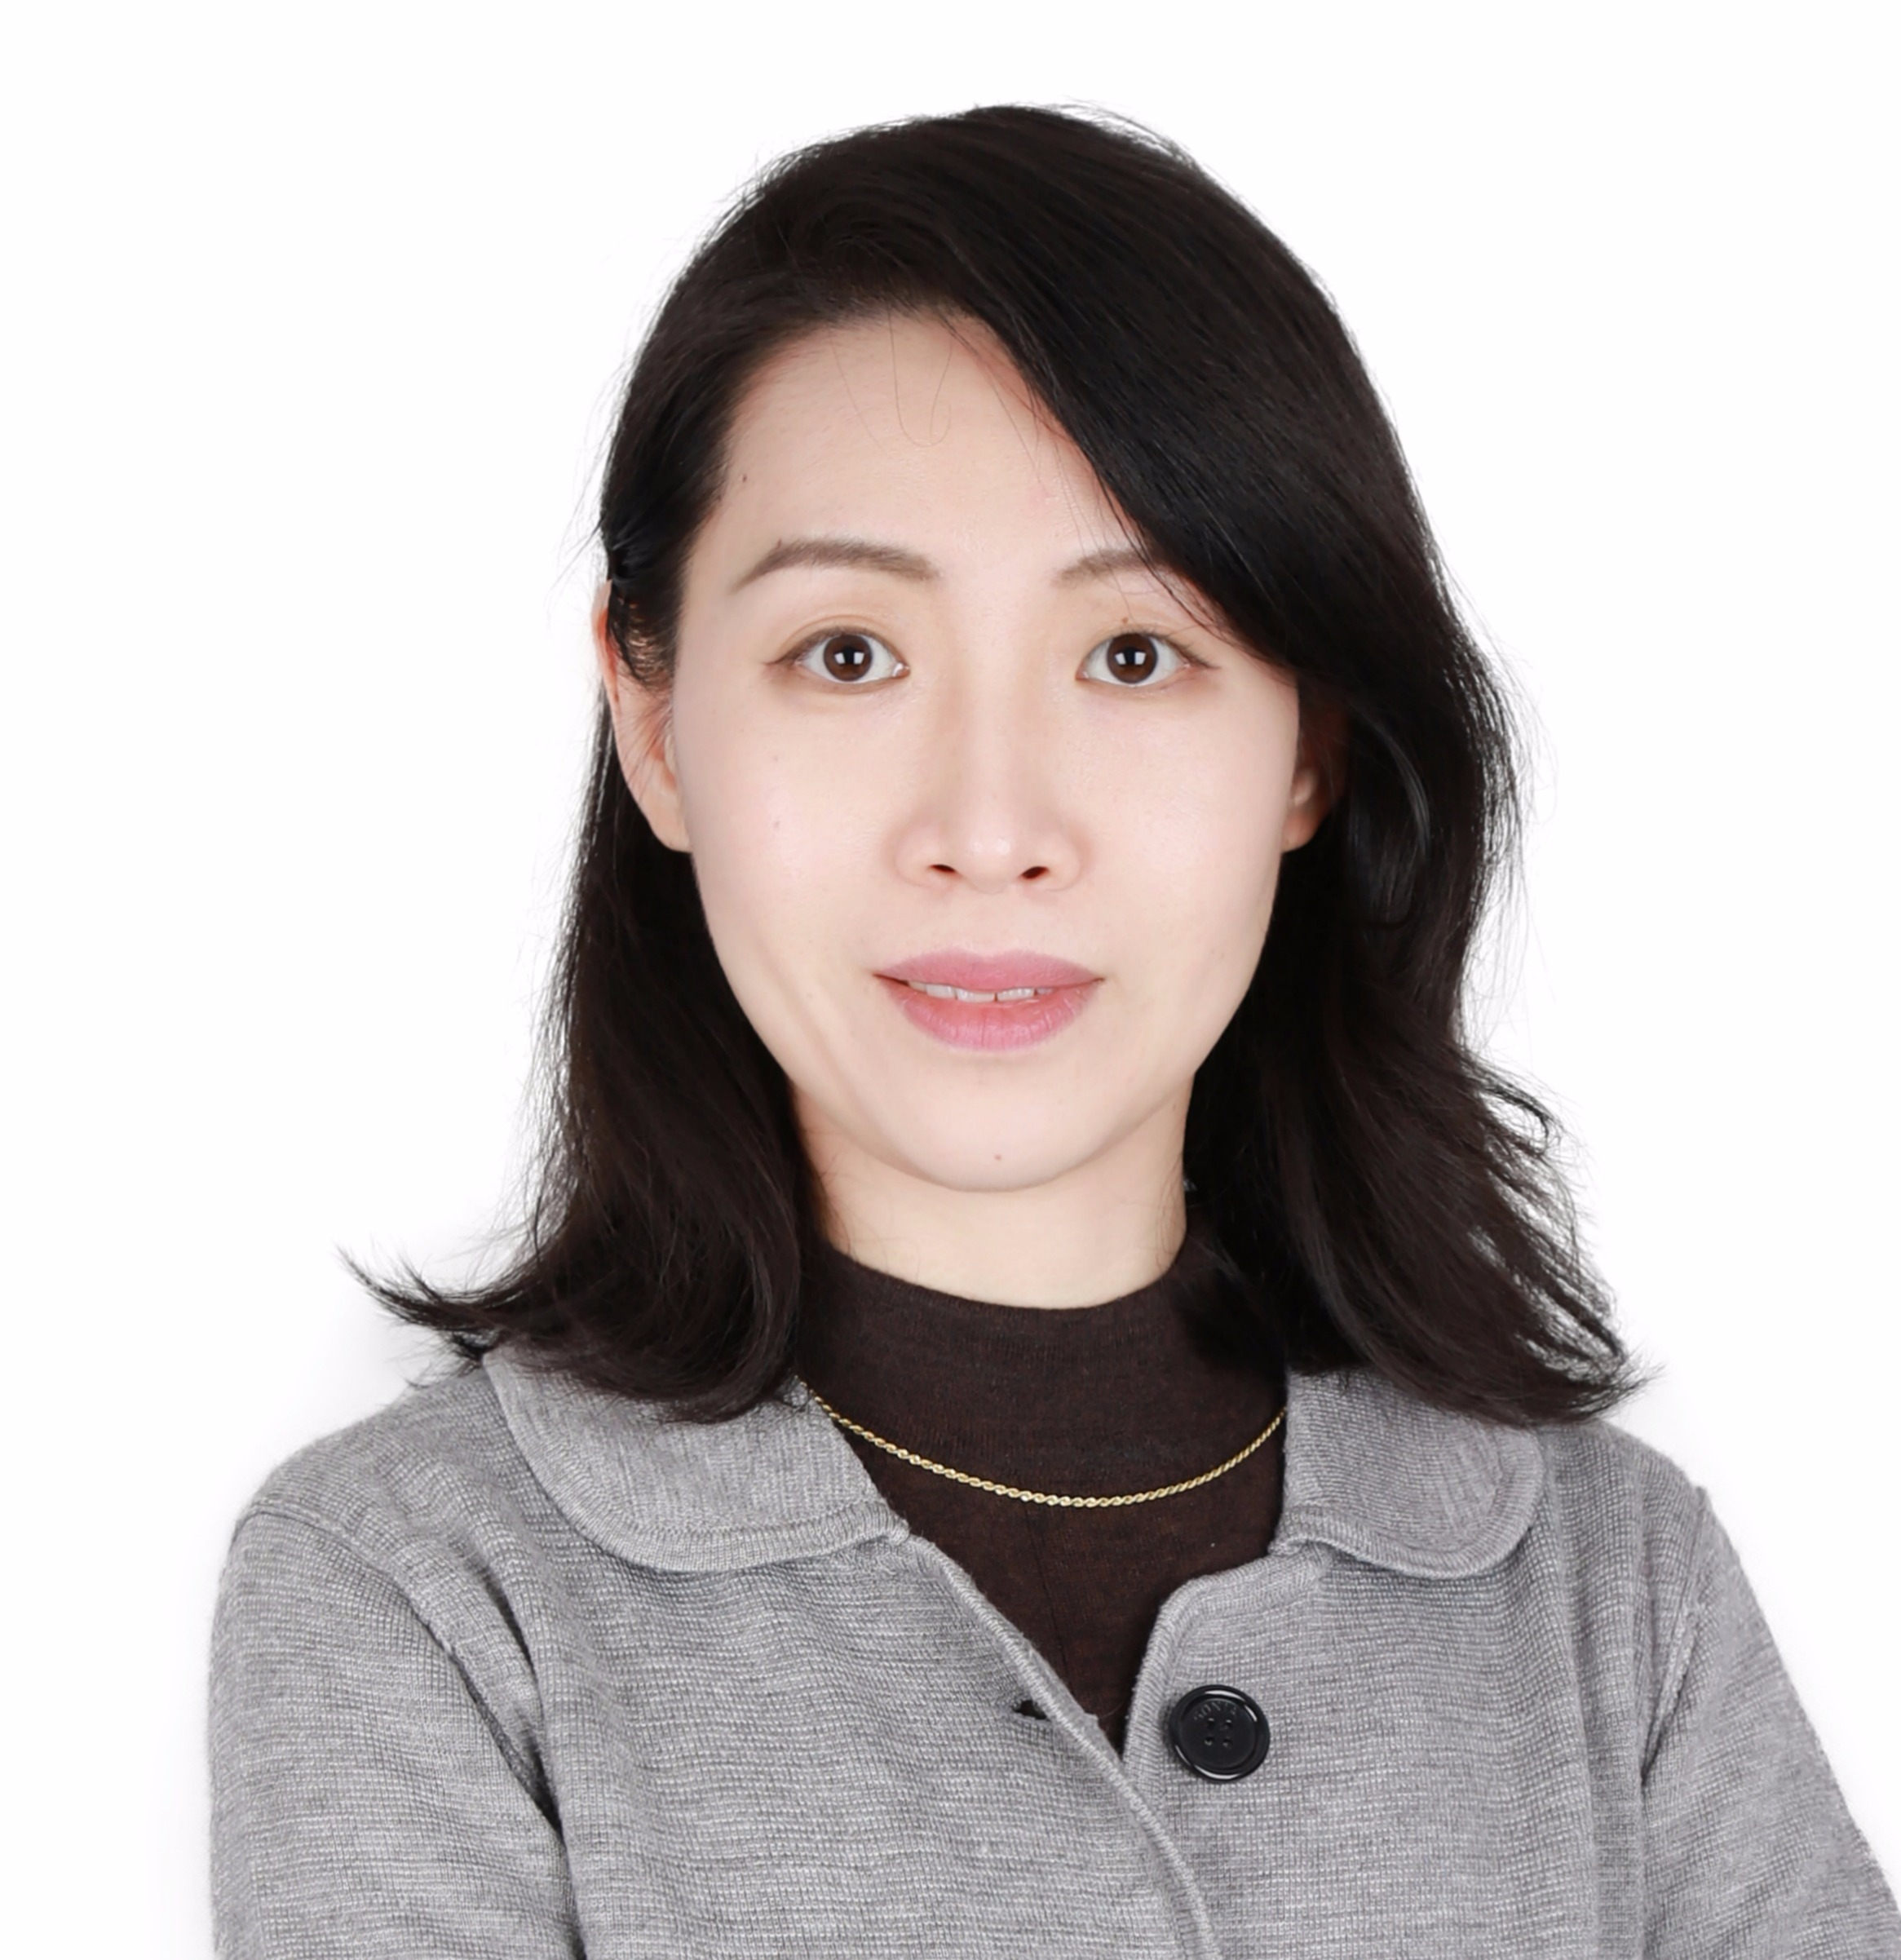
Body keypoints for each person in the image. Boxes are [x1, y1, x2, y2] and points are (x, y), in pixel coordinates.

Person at [207, 105, 1899, 1957]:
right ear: (656, 723)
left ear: (1311, 747)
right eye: (848, 654)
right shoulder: (422, 1594)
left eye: (1133, 654)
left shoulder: (1614, 1588)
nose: (991, 824)